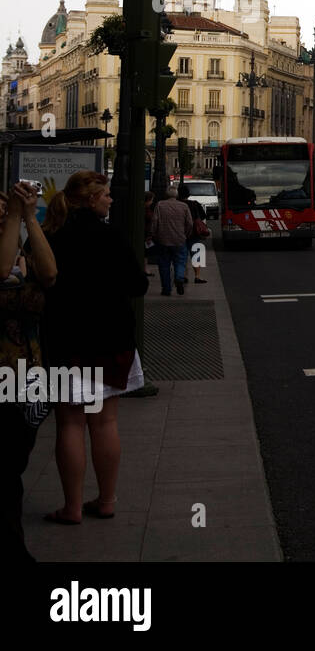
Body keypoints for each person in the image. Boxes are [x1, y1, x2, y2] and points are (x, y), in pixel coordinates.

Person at [41, 171, 150, 522]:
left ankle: (72, 508)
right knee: (104, 424)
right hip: (111, 339)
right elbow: (138, 286)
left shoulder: (51, 236)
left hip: (66, 341)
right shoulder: (112, 236)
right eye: (105, 195)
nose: (111, 199)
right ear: (91, 199)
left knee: (70, 425)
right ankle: (105, 501)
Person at [1, 182, 57, 560]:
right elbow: (0, 270)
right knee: (5, 476)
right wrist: (12, 219)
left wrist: (31, 218)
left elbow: (50, 274)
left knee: (13, 468)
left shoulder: (21, 248)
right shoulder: (7, 254)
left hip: (27, 376)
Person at [151, 187, 194, 295]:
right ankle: (179, 278)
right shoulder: (184, 206)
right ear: (176, 195)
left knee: (164, 265)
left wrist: (154, 235)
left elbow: (154, 222)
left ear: (166, 195)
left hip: (163, 240)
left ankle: (166, 289)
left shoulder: (160, 205)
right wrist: (186, 234)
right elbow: (190, 223)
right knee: (180, 261)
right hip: (179, 239)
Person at [178, 184, 208, 285]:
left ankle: (184, 276)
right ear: (188, 194)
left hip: (180, 233)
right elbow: (203, 216)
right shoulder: (194, 204)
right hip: (194, 233)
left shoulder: (177, 204)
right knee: (196, 255)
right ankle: (197, 276)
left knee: (183, 255)